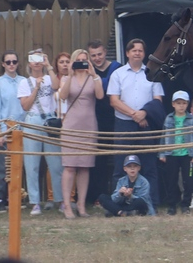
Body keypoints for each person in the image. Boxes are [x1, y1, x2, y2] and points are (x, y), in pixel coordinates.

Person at [107, 39, 164, 200]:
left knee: (149, 165)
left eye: (140, 50)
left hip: (146, 125)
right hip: (123, 125)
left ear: (144, 54)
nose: (137, 53)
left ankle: (150, 203)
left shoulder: (152, 73)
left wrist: (144, 113)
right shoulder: (118, 74)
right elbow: (114, 101)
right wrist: (135, 114)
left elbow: (158, 100)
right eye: (134, 50)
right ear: (127, 53)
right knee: (120, 166)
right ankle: (117, 203)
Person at [16, 49, 62, 215]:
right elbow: (25, 106)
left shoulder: (50, 78)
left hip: (50, 120)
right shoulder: (23, 82)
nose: (36, 62)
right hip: (33, 119)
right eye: (33, 59)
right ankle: (35, 202)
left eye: (39, 58)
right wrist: (36, 87)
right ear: (28, 62)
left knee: (56, 163)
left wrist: (49, 65)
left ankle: (60, 199)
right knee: (31, 163)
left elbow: (57, 87)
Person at [59, 48, 103, 219]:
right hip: (71, 125)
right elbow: (63, 96)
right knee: (70, 166)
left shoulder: (93, 78)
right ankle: (67, 205)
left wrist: (94, 75)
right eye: (79, 60)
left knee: (85, 167)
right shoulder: (66, 78)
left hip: (89, 125)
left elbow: (100, 96)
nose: (82, 63)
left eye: (85, 60)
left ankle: (81, 205)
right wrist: (70, 75)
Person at [0, 50, 25, 212]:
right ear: (3, 64)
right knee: (2, 166)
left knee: (19, 165)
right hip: (5, 128)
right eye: (8, 62)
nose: (11, 65)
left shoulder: (24, 81)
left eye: (14, 62)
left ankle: (16, 196)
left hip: (23, 128)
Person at [87, 40, 120, 203]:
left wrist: (97, 80)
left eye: (99, 54)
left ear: (105, 52)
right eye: (93, 55)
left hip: (116, 117)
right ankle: (97, 196)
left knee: (116, 159)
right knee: (98, 160)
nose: (97, 58)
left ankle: (117, 193)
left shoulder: (117, 68)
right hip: (95, 119)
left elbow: (110, 87)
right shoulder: (86, 71)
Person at [158, 90, 193, 214]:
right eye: (178, 103)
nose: (181, 106)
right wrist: (162, 153)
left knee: (188, 180)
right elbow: (163, 136)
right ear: (173, 104)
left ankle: (185, 205)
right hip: (171, 154)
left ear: (187, 105)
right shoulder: (168, 118)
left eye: (184, 103)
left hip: (187, 154)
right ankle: (172, 206)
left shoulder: (191, 119)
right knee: (171, 180)